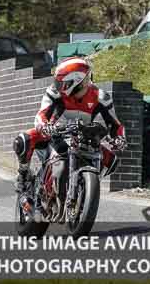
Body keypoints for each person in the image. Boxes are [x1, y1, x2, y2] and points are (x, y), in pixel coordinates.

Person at [12, 57, 127, 198]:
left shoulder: (101, 97)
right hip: (54, 134)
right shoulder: (54, 92)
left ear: (77, 82)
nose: (59, 86)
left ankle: (86, 188)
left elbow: (115, 124)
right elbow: (41, 115)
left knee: (112, 160)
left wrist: (119, 139)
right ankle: (23, 175)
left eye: (63, 83)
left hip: (83, 138)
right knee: (23, 140)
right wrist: (45, 127)